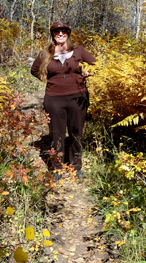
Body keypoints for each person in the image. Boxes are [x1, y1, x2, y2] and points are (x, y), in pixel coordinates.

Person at [31, 21, 96, 179]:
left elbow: (95, 64)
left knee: (76, 132)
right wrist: (47, 78)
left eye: (63, 31)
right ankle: (57, 167)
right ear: (52, 35)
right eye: (56, 32)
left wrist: (87, 73)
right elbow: (34, 70)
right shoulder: (46, 53)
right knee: (56, 133)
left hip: (78, 97)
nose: (60, 34)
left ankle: (76, 165)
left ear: (68, 33)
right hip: (54, 99)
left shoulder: (78, 50)